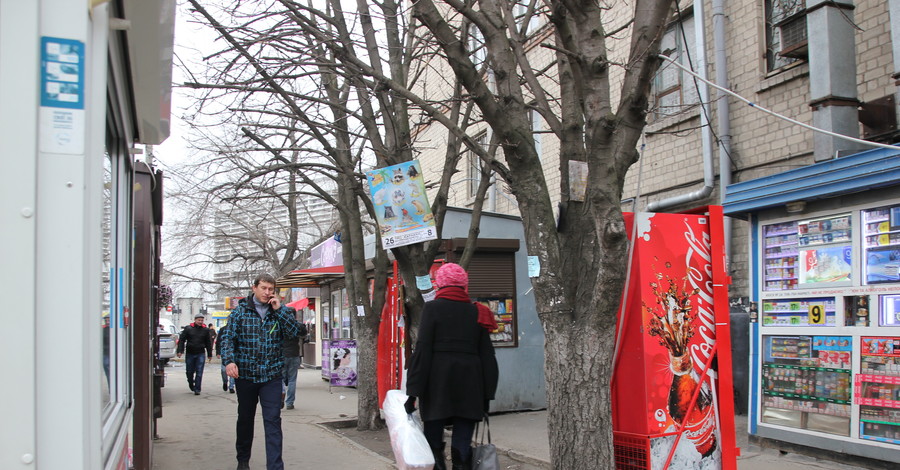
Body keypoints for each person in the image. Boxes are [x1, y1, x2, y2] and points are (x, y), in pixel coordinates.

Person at [405, 263, 499, 470]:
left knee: (433, 436)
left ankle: (438, 464)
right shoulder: (478, 311)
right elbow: (487, 356)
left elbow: (423, 350)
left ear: (440, 284)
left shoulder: (432, 309)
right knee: (463, 440)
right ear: (464, 285)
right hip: (471, 382)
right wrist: (486, 395)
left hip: (437, 382)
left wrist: (412, 393)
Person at [221, 274, 305, 470]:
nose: (267, 293)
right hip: (246, 376)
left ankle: (275, 466)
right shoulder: (240, 312)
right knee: (245, 419)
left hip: (272, 376)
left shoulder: (280, 312)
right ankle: (243, 460)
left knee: (273, 421)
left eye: (271, 289)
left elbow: (296, 332)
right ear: (254, 288)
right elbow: (227, 340)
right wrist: (229, 361)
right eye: (264, 288)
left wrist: (281, 310)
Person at [177, 313, 212, 395]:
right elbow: (182, 340)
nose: (200, 322)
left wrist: (209, 354)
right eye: (199, 320)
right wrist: (180, 351)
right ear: (195, 320)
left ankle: (197, 389)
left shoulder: (205, 330)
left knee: (199, 371)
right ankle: (190, 383)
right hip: (190, 353)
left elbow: (208, 343)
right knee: (189, 371)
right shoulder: (188, 329)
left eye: (202, 320)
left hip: (201, 353)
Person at [281, 306, 308, 410]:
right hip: (294, 354)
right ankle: (290, 403)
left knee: (280, 379)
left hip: (282, 355)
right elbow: (304, 335)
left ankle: (281, 396)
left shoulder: (280, 325)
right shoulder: (298, 326)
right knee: (292, 379)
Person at [216, 323, 235, 393]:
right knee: (224, 370)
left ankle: (231, 386)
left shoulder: (238, 328)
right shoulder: (223, 329)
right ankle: (225, 382)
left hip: (235, 353)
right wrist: (218, 352)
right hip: (225, 353)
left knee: (233, 370)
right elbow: (218, 341)